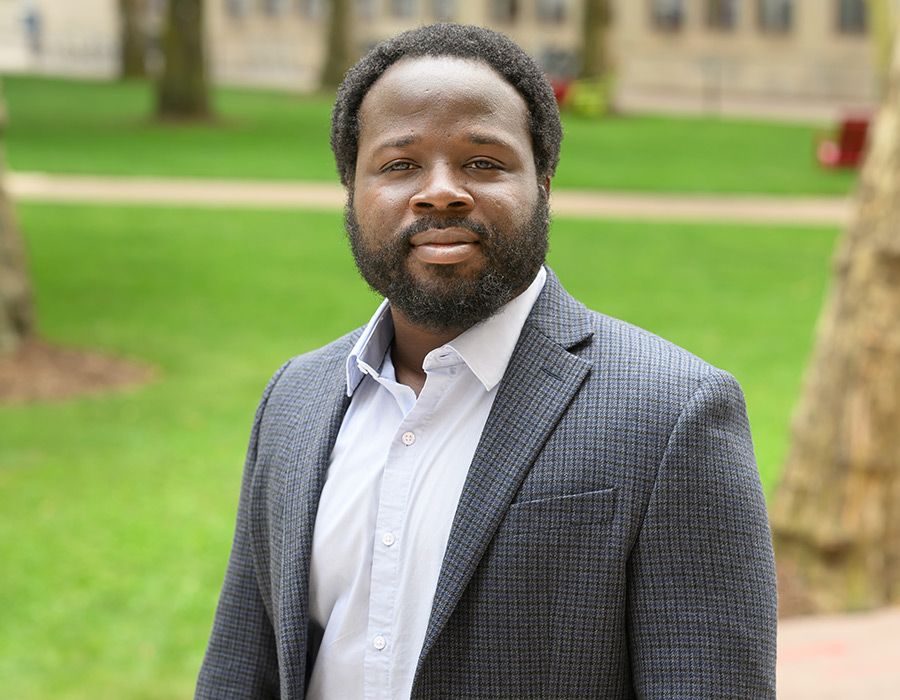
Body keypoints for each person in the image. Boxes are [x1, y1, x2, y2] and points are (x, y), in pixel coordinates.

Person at [196, 23, 777, 699]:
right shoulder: (294, 399)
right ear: (351, 192)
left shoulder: (674, 413)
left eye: (482, 163)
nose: (441, 192)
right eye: (399, 164)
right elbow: (243, 669)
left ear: (544, 184)